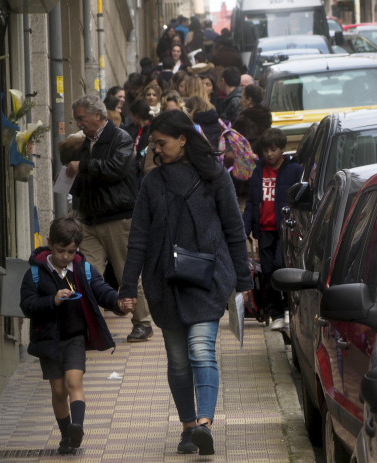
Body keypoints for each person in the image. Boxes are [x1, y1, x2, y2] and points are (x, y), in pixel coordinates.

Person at [118, 110, 253, 456]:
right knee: (178, 360)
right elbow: (138, 239)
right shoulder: (151, 183)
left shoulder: (215, 177)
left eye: (161, 143)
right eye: (153, 145)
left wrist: (243, 280)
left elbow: (234, 231)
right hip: (165, 283)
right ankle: (188, 427)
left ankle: (205, 424)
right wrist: (128, 287)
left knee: (200, 350)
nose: (156, 151)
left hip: (207, 279)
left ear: (182, 139)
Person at [20, 216, 132, 455]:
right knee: (59, 391)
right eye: (61, 251)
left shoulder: (83, 269)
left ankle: (77, 427)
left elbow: (101, 290)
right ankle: (66, 435)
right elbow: (27, 305)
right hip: (47, 341)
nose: (65, 257)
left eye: (71, 252)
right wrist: (52, 300)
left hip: (74, 337)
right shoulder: (35, 273)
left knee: (74, 382)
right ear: (50, 243)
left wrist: (117, 302)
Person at [65, 94, 155, 343]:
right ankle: (91, 325)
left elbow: (117, 168)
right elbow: (83, 179)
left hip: (118, 218)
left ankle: (142, 323)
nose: (78, 124)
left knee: (127, 273)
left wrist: (83, 166)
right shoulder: (85, 143)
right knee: (88, 274)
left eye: (81, 118)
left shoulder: (120, 138)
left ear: (97, 115)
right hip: (90, 220)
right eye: (76, 120)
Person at [243, 128, 302, 330]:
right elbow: (252, 201)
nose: (269, 154)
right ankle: (275, 312)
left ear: (282, 149)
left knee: (280, 266)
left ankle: (288, 308)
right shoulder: (258, 170)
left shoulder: (293, 170)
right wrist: (245, 227)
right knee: (267, 271)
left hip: (285, 229)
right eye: (266, 150)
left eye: (274, 149)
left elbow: (298, 200)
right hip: (264, 229)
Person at [232, 84, 272, 155]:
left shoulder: (243, 119)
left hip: (247, 158)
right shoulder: (266, 116)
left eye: (242, 98)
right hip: (264, 156)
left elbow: (234, 141)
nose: (240, 101)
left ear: (249, 100)